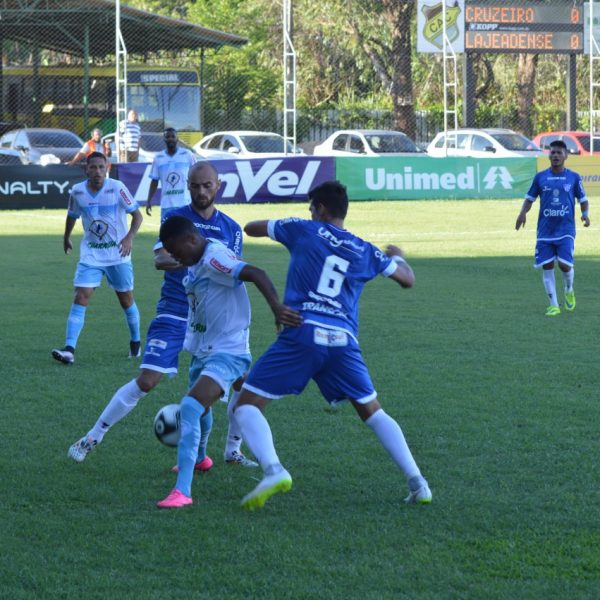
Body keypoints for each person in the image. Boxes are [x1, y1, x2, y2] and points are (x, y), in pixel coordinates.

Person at [232, 180, 432, 510]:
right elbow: (407, 278)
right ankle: (418, 482)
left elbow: (250, 228)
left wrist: (284, 226)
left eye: (312, 207)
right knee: (371, 410)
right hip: (343, 341)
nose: (310, 213)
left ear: (321, 209)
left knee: (246, 405)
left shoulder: (302, 229)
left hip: (303, 331)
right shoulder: (366, 250)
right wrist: (397, 255)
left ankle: (273, 470)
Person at [67, 162, 256, 470]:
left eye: (207, 185)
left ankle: (232, 450)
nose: (201, 191)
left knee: (243, 382)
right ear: (188, 186)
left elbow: (232, 271)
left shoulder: (232, 228)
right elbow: (161, 260)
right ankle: (92, 437)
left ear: (217, 186)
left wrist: (196, 262)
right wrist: (201, 262)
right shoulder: (176, 217)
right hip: (175, 309)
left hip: (214, 321)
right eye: (195, 185)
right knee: (147, 379)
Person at [155, 215, 302, 509]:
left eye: (175, 250)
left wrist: (276, 307)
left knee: (191, 406)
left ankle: (182, 491)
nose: (173, 257)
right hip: (203, 348)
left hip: (228, 350)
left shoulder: (214, 258)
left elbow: (256, 272)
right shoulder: (195, 261)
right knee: (201, 406)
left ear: (192, 240)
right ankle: (199, 459)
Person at [52, 152, 143, 365]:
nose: (97, 172)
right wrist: (66, 238)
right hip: (91, 255)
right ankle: (69, 349)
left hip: (118, 255)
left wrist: (129, 237)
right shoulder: (77, 191)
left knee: (126, 299)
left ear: (107, 167)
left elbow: (137, 215)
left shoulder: (118, 188)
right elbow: (72, 216)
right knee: (81, 296)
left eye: (101, 167)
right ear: (86, 169)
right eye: (93, 167)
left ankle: (136, 344)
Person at [515, 139, 589, 316]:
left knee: (564, 265)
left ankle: (569, 289)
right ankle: (553, 305)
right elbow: (530, 198)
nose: (555, 155)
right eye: (552, 152)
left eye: (559, 152)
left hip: (566, 230)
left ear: (566, 156)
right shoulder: (540, 177)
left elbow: (583, 200)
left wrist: (585, 215)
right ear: (549, 155)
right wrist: (522, 213)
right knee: (547, 265)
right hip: (545, 231)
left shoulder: (574, 177)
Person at [146, 128, 196, 218]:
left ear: (177, 138)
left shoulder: (187, 154)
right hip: (166, 205)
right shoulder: (158, 158)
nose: (170, 139)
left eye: (173, 136)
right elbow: (154, 181)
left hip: (185, 203)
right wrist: (149, 200)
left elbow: (196, 176)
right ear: (164, 139)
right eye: (167, 136)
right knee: (167, 231)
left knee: (186, 231)